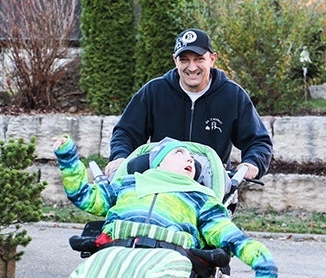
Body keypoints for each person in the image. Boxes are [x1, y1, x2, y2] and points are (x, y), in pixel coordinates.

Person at [54, 134, 277, 278]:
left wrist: (259, 259)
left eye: (192, 159)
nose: (190, 158)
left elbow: (224, 231)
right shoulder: (127, 184)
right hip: (116, 250)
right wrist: (69, 160)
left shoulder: (200, 196)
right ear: (157, 164)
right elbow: (84, 196)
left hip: (170, 257)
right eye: (180, 153)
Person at [105, 28, 273, 182]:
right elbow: (126, 132)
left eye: (199, 59)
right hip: (162, 182)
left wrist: (252, 163)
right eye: (184, 60)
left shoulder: (232, 95)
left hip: (211, 184)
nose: (192, 67)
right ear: (175, 60)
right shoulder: (154, 91)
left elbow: (258, 141)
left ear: (212, 59)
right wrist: (120, 157)